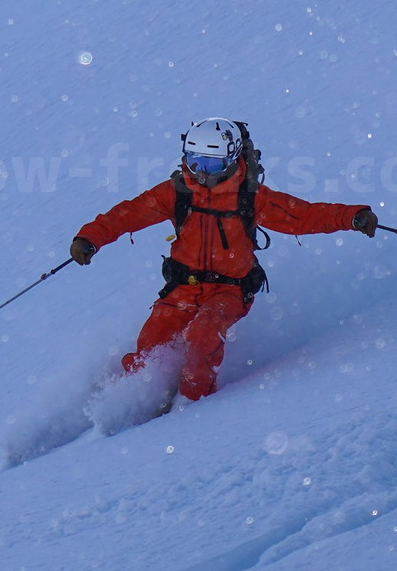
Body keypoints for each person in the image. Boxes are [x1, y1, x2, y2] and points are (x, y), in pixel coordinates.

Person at [69, 117, 377, 406]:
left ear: (230, 160)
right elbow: (128, 214)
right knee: (152, 340)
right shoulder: (177, 193)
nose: (201, 171)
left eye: (211, 164)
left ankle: (192, 405)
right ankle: (135, 399)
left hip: (230, 290)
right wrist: (90, 238)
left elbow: (303, 216)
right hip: (183, 287)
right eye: (195, 161)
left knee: (202, 335)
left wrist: (351, 217)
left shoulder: (249, 197)